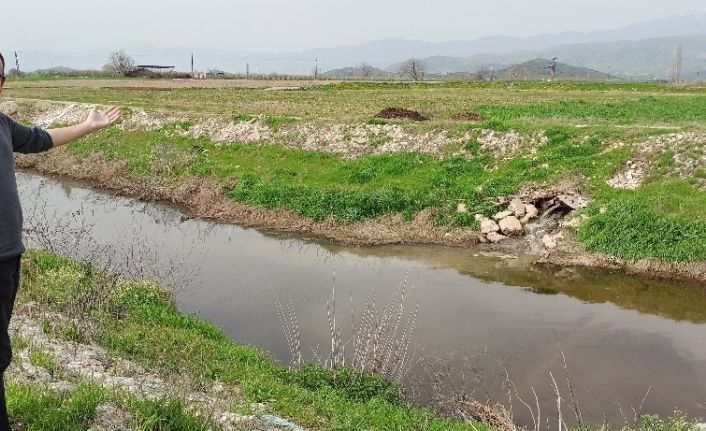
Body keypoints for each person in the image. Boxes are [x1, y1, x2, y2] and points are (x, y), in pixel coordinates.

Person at [0, 51, 121, 430]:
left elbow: (40, 139)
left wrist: (89, 126)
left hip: (5, 258)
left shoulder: (2, 124)